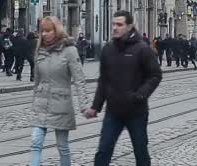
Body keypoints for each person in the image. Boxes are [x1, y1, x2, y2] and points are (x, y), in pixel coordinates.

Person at [84, 10, 162, 166]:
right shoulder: (108, 49)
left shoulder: (142, 49)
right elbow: (104, 80)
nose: (115, 28)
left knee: (140, 151)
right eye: (113, 24)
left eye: (119, 24)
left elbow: (155, 75)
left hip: (136, 112)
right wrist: (95, 107)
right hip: (113, 111)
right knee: (103, 151)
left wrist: (140, 94)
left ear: (129, 26)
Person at [30, 16, 89, 166]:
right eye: (42, 31)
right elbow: (37, 79)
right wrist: (34, 100)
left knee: (62, 146)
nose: (44, 34)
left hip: (61, 104)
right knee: (36, 142)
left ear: (56, 31)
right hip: (42, 104)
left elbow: (79, 79)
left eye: (48, 31)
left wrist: (84, 105)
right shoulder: (40, 50)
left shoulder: (70, 51)